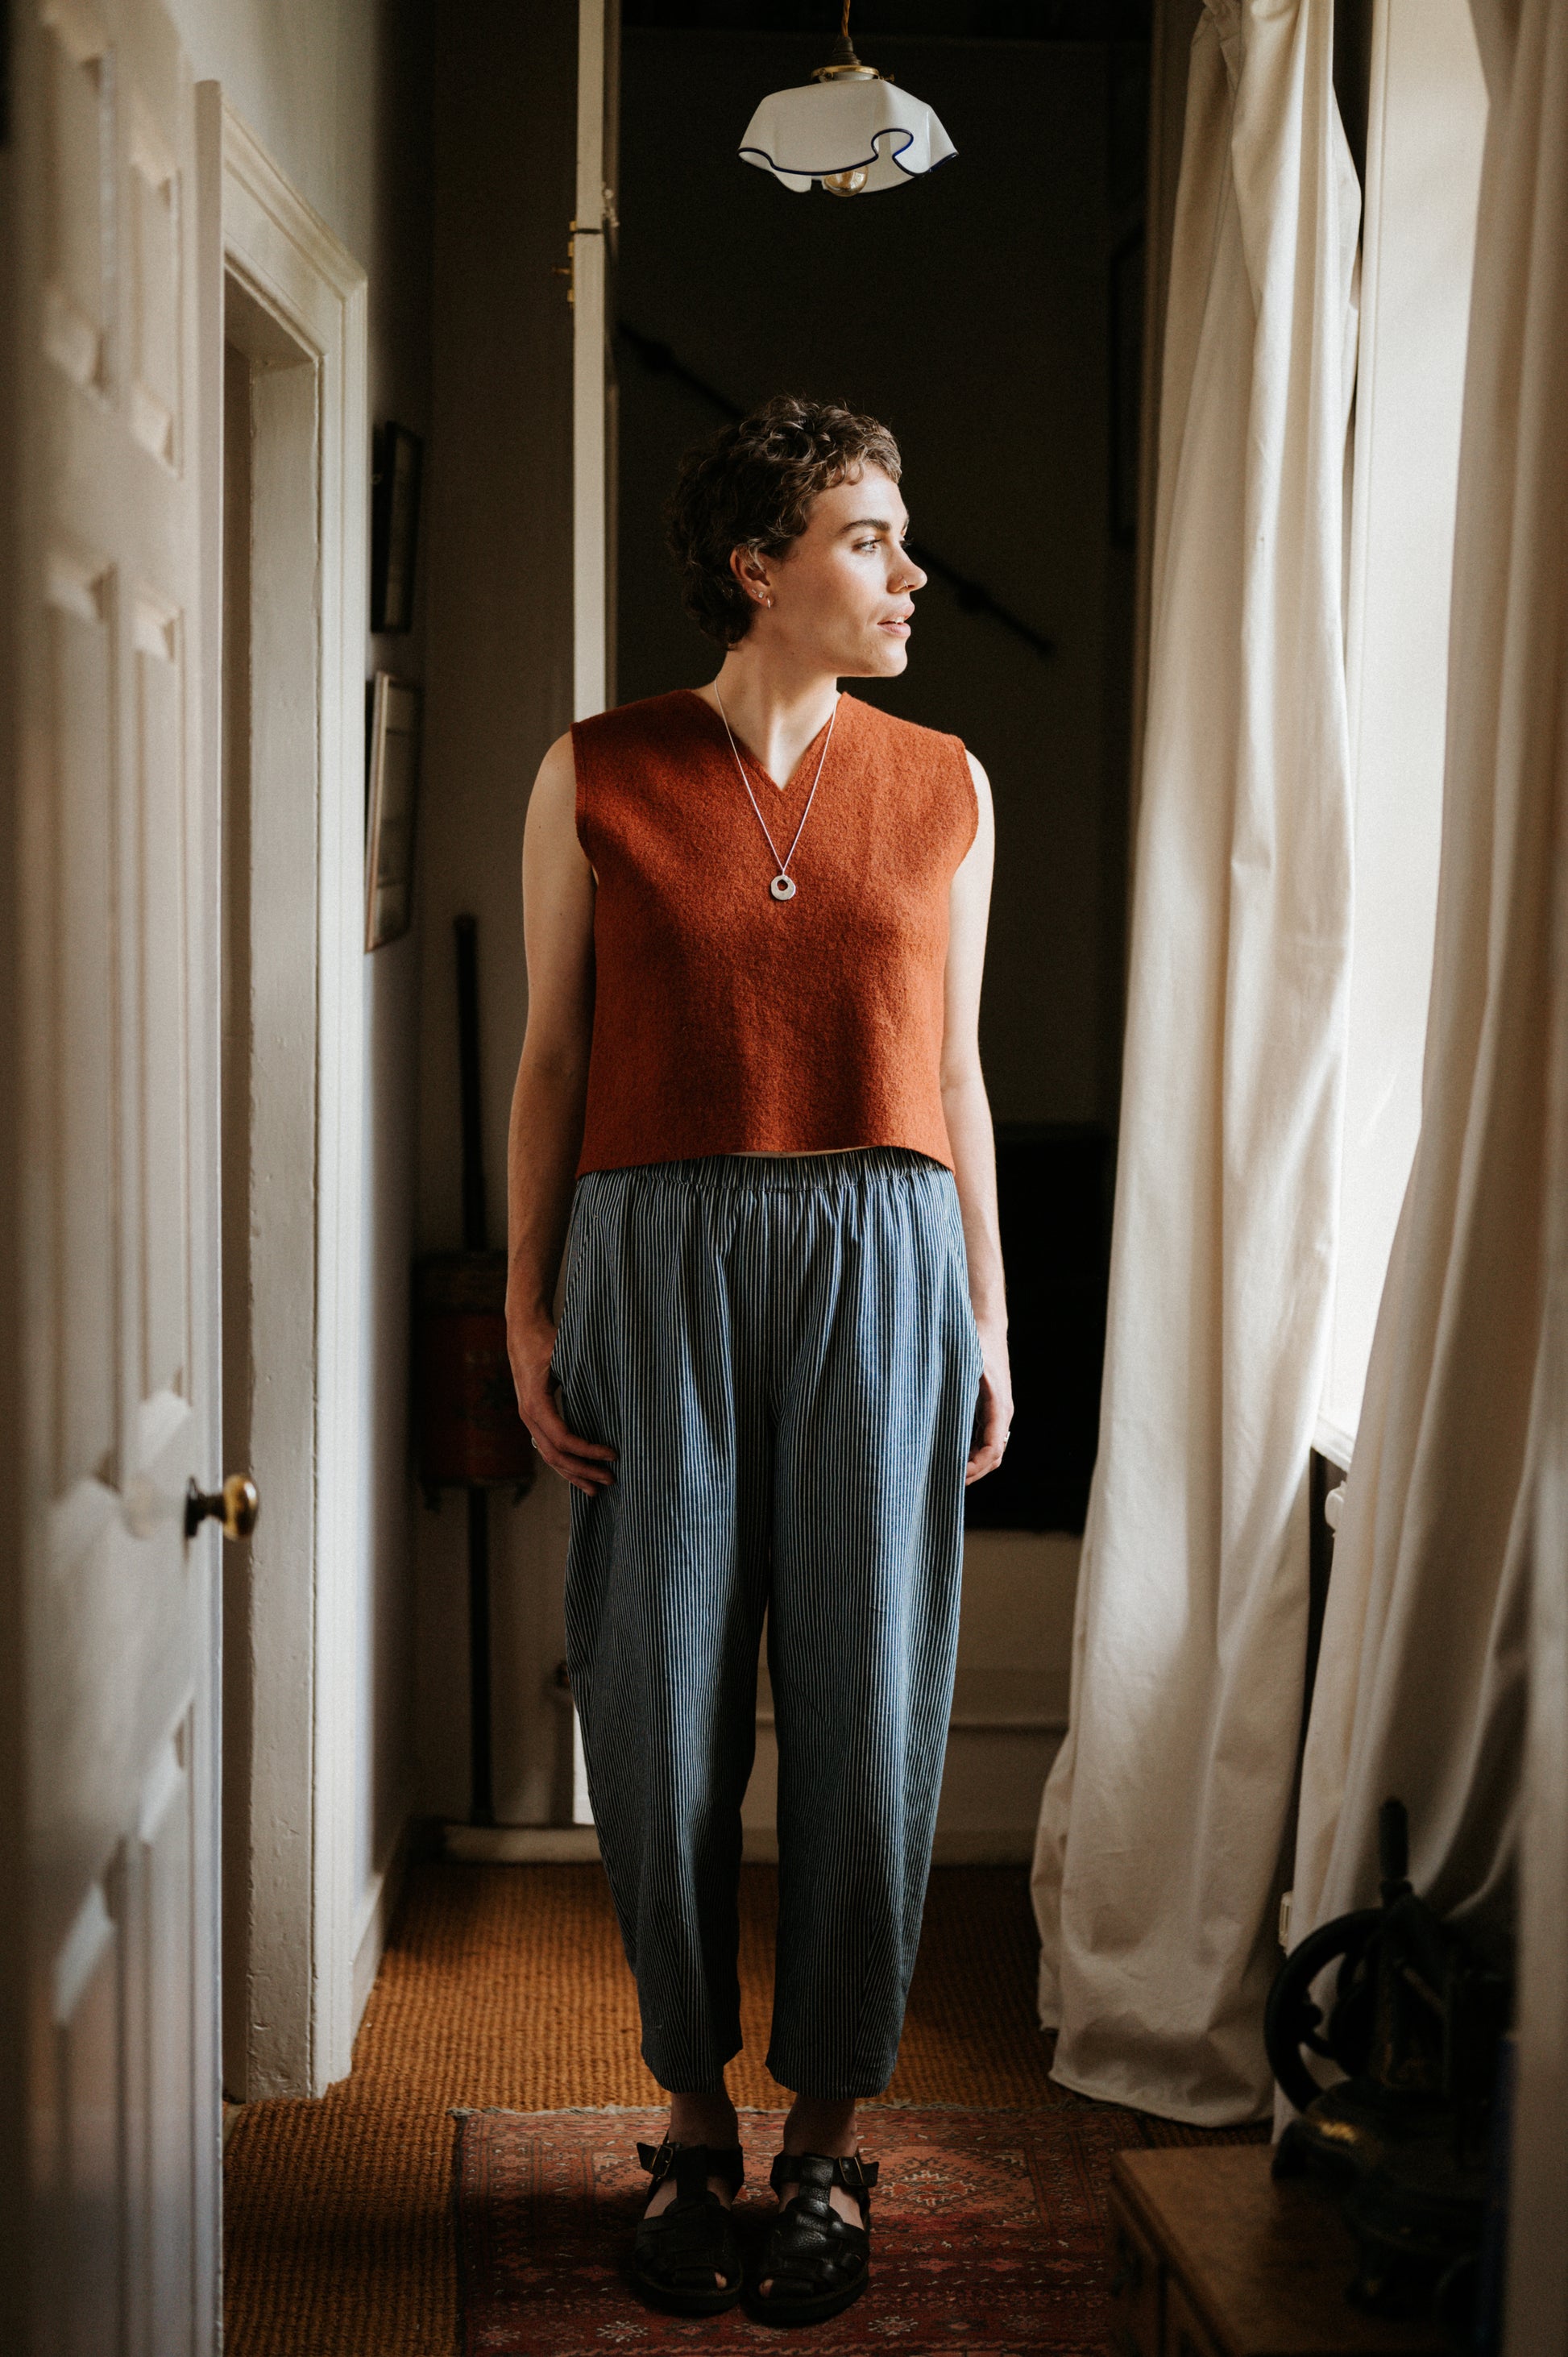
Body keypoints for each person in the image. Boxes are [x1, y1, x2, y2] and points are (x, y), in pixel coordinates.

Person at [505, 394, 1010, 2327]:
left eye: (899, 537)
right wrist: (531, 1305)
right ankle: (694, 2120)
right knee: (656, 1694)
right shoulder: (597, 770)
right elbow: (553, 1059)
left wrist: (988, 1313)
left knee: (874, 1700)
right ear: (759, 565)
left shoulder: (948, 779)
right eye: (870, 538)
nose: (906, 574)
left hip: (881, 1253)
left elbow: (953, 1073)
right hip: (652, 1249)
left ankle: (823, 2138)